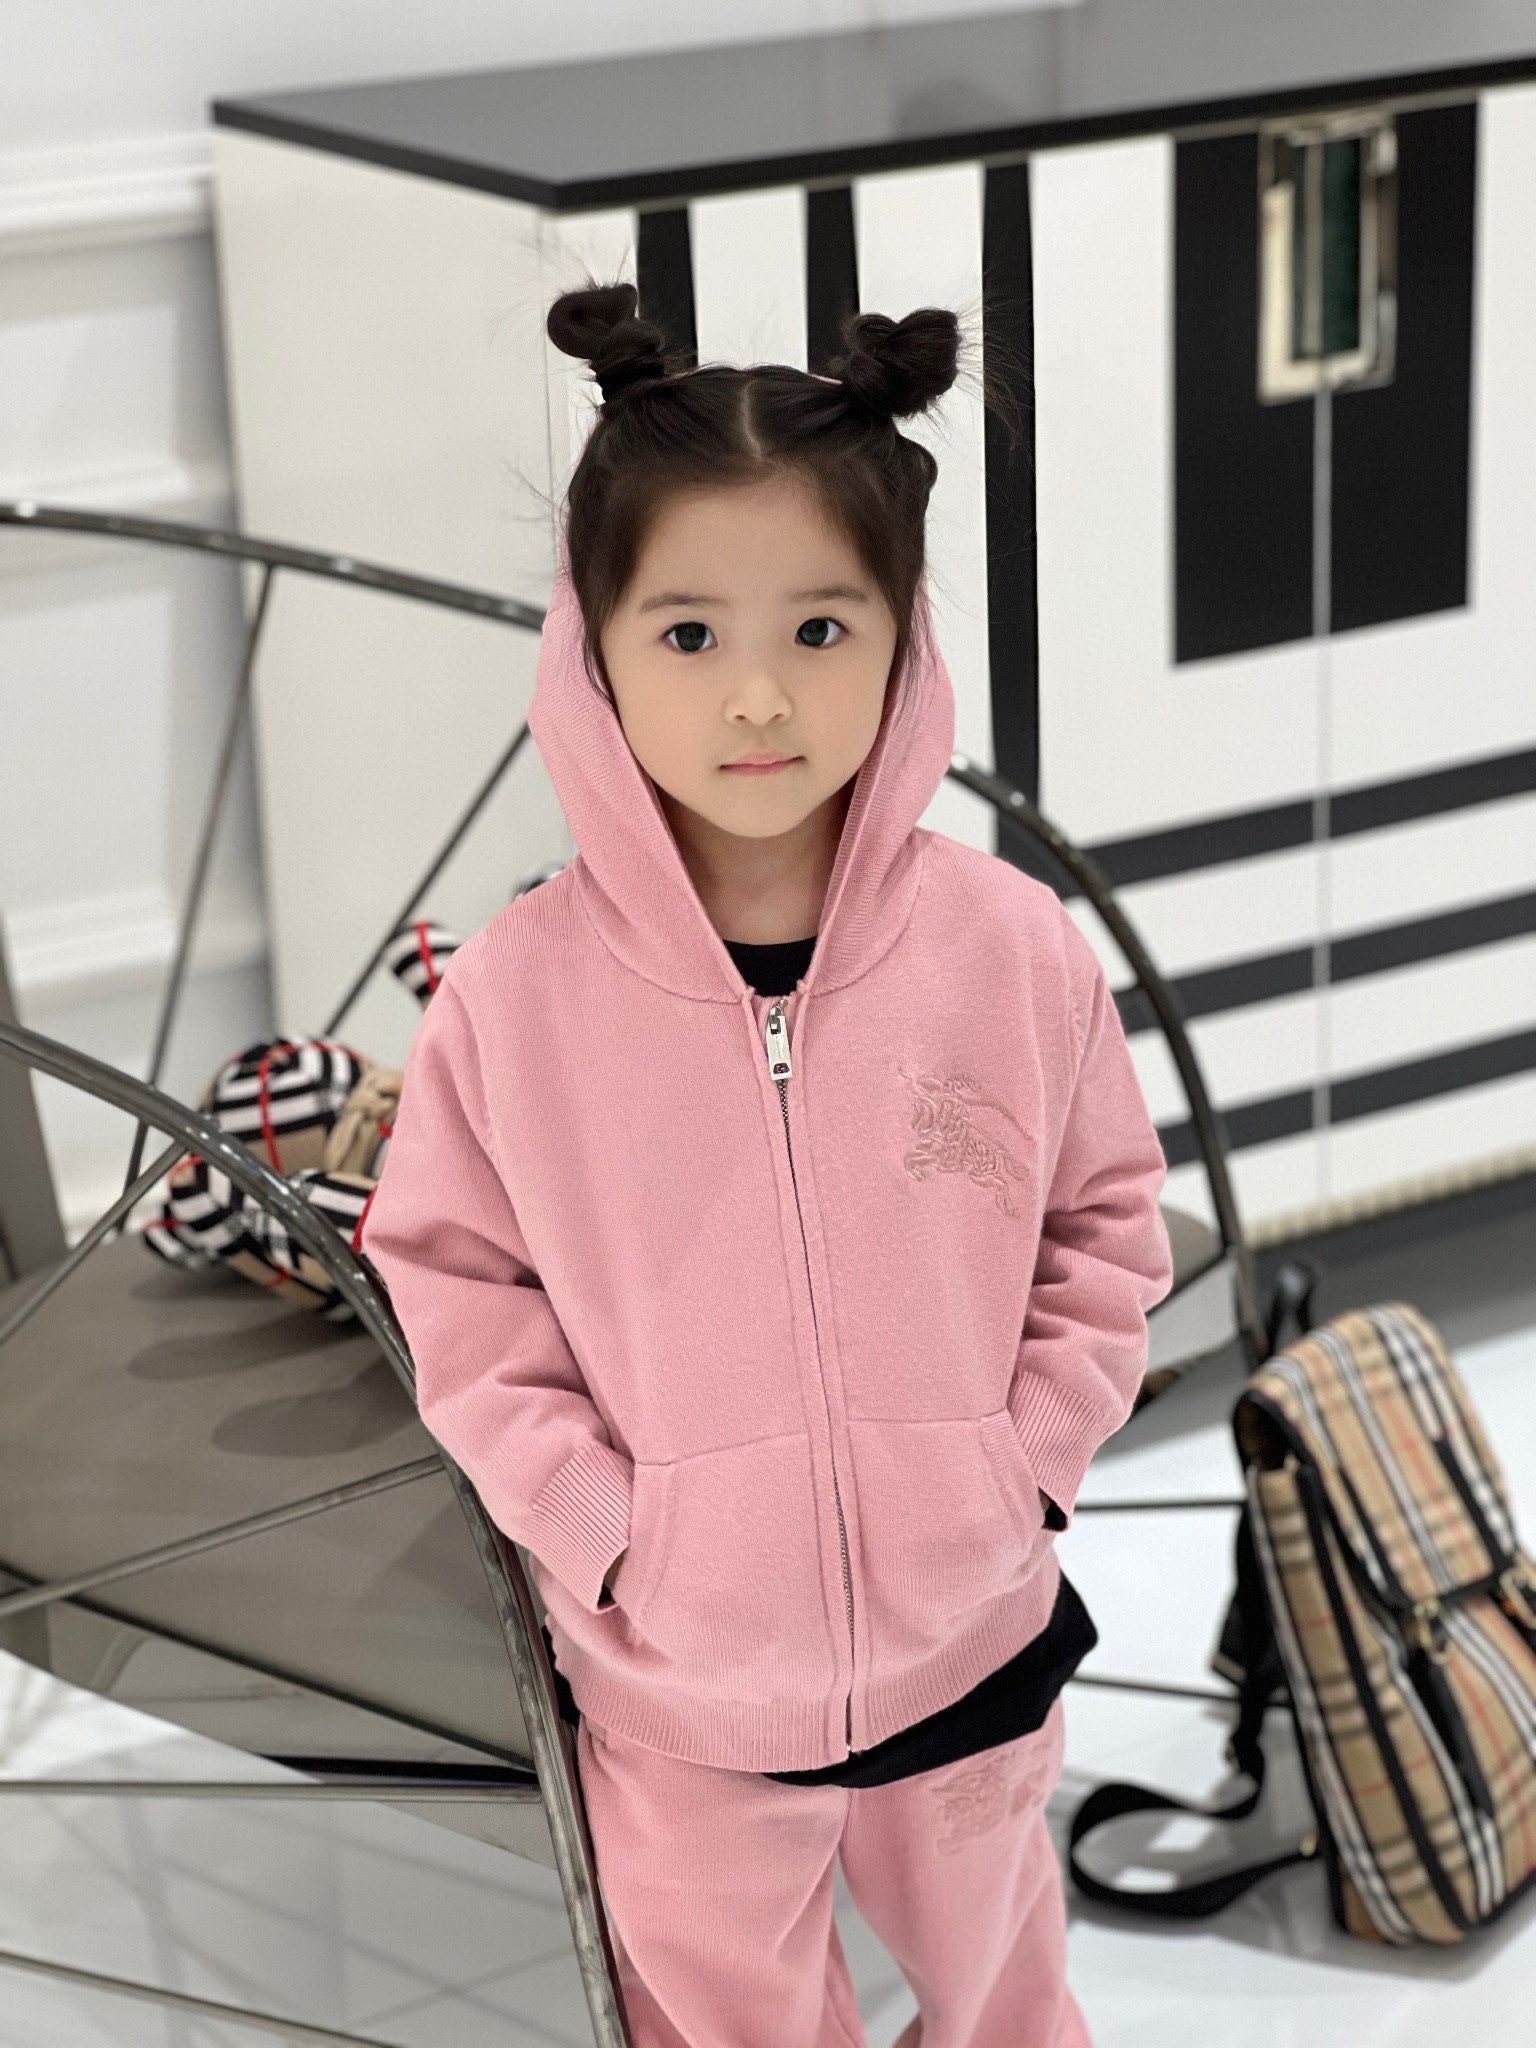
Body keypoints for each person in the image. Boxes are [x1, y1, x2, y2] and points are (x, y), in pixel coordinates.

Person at [360, 282, 1174, 2048]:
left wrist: (1022, 1467)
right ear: (591, 650)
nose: (755, 695)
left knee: (1006, 2000)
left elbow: (1108, 1224)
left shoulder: (1010, 954)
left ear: (902, 639)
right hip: (684, 1687)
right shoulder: (514, 1001)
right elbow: (453, 1291)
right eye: (686, 634)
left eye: (819, 628)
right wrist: (612, 1537)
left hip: (974, 1640)